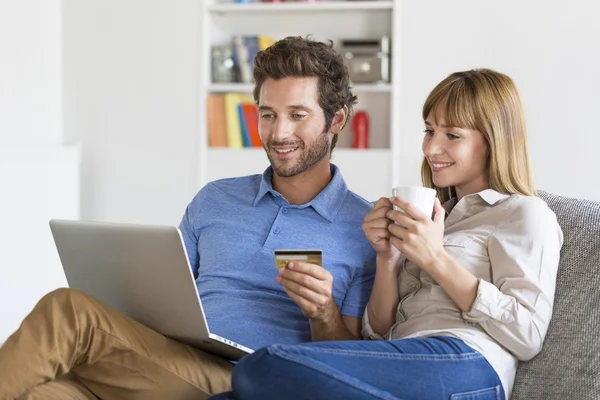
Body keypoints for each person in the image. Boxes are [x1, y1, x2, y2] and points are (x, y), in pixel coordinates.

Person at [0, 36, 377, 400]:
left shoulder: (367, 228)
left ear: (337, 119)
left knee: (69, 311)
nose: (279, 133)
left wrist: (323, 312)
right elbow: (167, 297)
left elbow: (353, 368)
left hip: (247, 380)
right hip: (166, 360)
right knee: (39, 393)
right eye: (268, 114)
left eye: (297, 115)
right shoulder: (215, 198)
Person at [209, 69, 564, 400]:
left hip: (466, 363)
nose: (430, 149)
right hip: (401, 356)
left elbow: (527, 334)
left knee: (263, 366)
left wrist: (435, 258)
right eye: (429, 131)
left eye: (452, 135)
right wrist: (387, 256)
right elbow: (379, 331)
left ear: (494, 141)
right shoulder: (435, 216)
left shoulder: (523, 213)